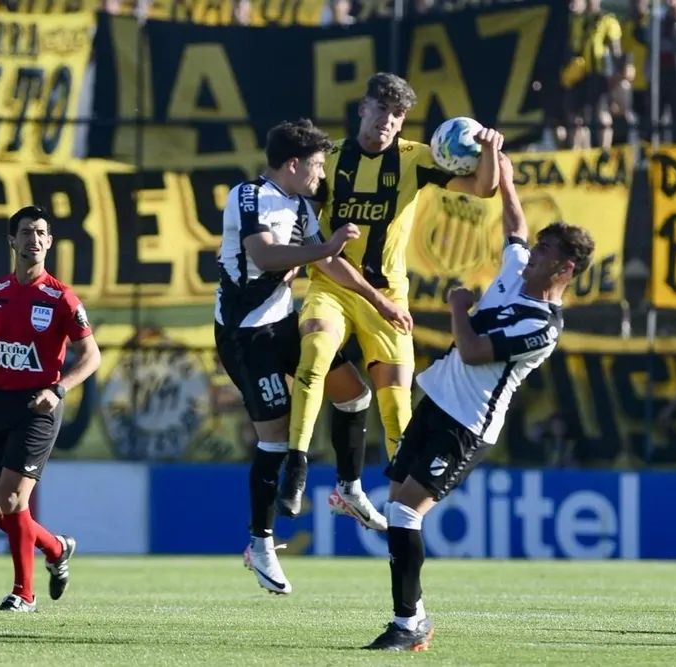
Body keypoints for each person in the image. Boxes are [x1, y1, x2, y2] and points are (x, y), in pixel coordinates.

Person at [365, 152, 595, 650]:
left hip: (465, 424)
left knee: (405, 514)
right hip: (438, 402)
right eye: (538, 245)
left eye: (546, 250)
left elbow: (472, 352)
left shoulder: (543, 328)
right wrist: (506, 178)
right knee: (396, 509)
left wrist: (457, 307)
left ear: (566, 268)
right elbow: (515, 225)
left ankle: (409, 625)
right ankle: (412, 619)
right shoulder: (517, 268)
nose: (533, 252)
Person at [276, 73, 502, 530]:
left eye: (397, 115)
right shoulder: (332, 160)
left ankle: (401, 516)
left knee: (397, 408)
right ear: (363, 109)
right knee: (316, 350)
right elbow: (295, 208)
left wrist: (491, 147)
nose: (388, 121)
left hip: (389, 294)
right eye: (381, 109)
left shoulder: (415, 159)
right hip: (334, 284)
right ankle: (296, 467)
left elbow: (484, 188)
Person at [215, 119, 411, 595]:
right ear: (295, 164)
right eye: (319, 166)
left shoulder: (301, 204)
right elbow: (264, 256)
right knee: (275, 439)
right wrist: (325, 245)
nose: (322, 175)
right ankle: (259, 543)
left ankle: (348, 488)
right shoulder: (247, 196)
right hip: (245, 336)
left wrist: (378, 300)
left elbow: (325, 260)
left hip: (280, 323)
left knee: (353, 395)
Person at [0, 205, 102, 612]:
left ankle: (24, 594)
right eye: (26, 232)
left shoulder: (61, 298)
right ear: (12, 241)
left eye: (41, 232)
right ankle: (56, 547)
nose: (34, 239)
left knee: (12, 499)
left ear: (50, 242)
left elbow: (91, 356)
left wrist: (58, 390)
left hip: (38, 407)